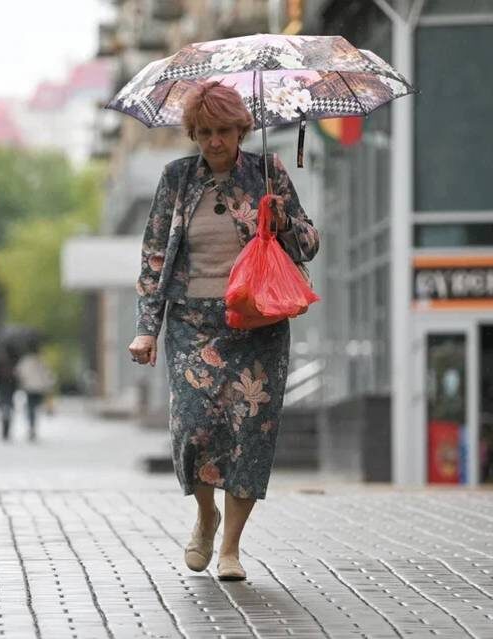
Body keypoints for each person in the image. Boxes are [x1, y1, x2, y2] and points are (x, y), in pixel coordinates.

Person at [128, 81, 319, 581]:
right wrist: (147, 329)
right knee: (193, 429)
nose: (215, 141)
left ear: (241, 130)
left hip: (258, 323)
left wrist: (282, 222)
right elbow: (154, 257)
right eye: (205, 132)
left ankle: (231, 548)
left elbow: (309, 243)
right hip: (192, 324)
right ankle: (205, 515)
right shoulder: (176, 178)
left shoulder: (268, 172)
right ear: (193, 133)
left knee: (250, 434)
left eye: (224, 131)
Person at [14, 351, 54, 442]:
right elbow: (47, 375)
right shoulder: (41, 361)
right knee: (35, 407)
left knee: (31, 407)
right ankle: (33, 426)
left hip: (29, 388)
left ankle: (31, 425)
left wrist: (22, 382)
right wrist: (48, 385)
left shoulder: (25, 361)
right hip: (39, 388)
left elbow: (18, 372)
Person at [0, 348, 19, 441]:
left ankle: (5, 429)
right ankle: (6, 429)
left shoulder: (0, 361)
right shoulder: (14, 361)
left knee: (3, 408)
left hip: (3, 387)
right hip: (8, 387)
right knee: (7, 408)